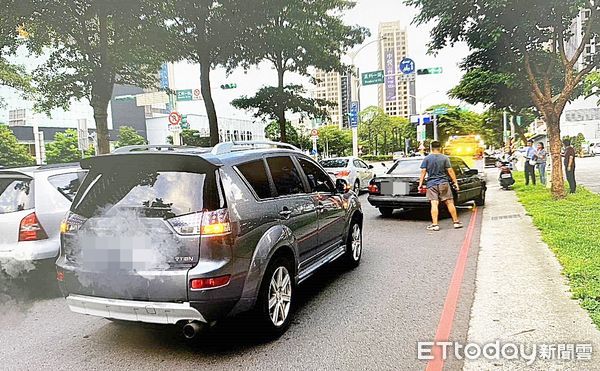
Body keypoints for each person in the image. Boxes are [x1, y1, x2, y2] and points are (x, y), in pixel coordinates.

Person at [418, 141, 463, 231]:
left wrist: (420, 184)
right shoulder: (445, 158)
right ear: (440, 148)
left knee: (434, 203)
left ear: (431, 148)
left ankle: (435, 225)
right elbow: (450, 171)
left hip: (431, 184)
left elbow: (423, 172)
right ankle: (456, 222)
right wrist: (455, 182)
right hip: (443, 183)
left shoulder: (427, 159)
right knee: (449, 202)